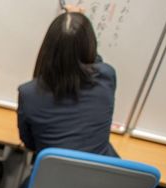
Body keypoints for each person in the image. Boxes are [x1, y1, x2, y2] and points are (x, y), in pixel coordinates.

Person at [17, 9, 118, 157]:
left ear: (47, 48)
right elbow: (95, 63)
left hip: (53, 177)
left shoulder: (29, 93)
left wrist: (71, 26)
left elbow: (30, 143)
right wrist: (78, 27)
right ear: (90, 44)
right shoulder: (106, 76)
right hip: (100, 175)